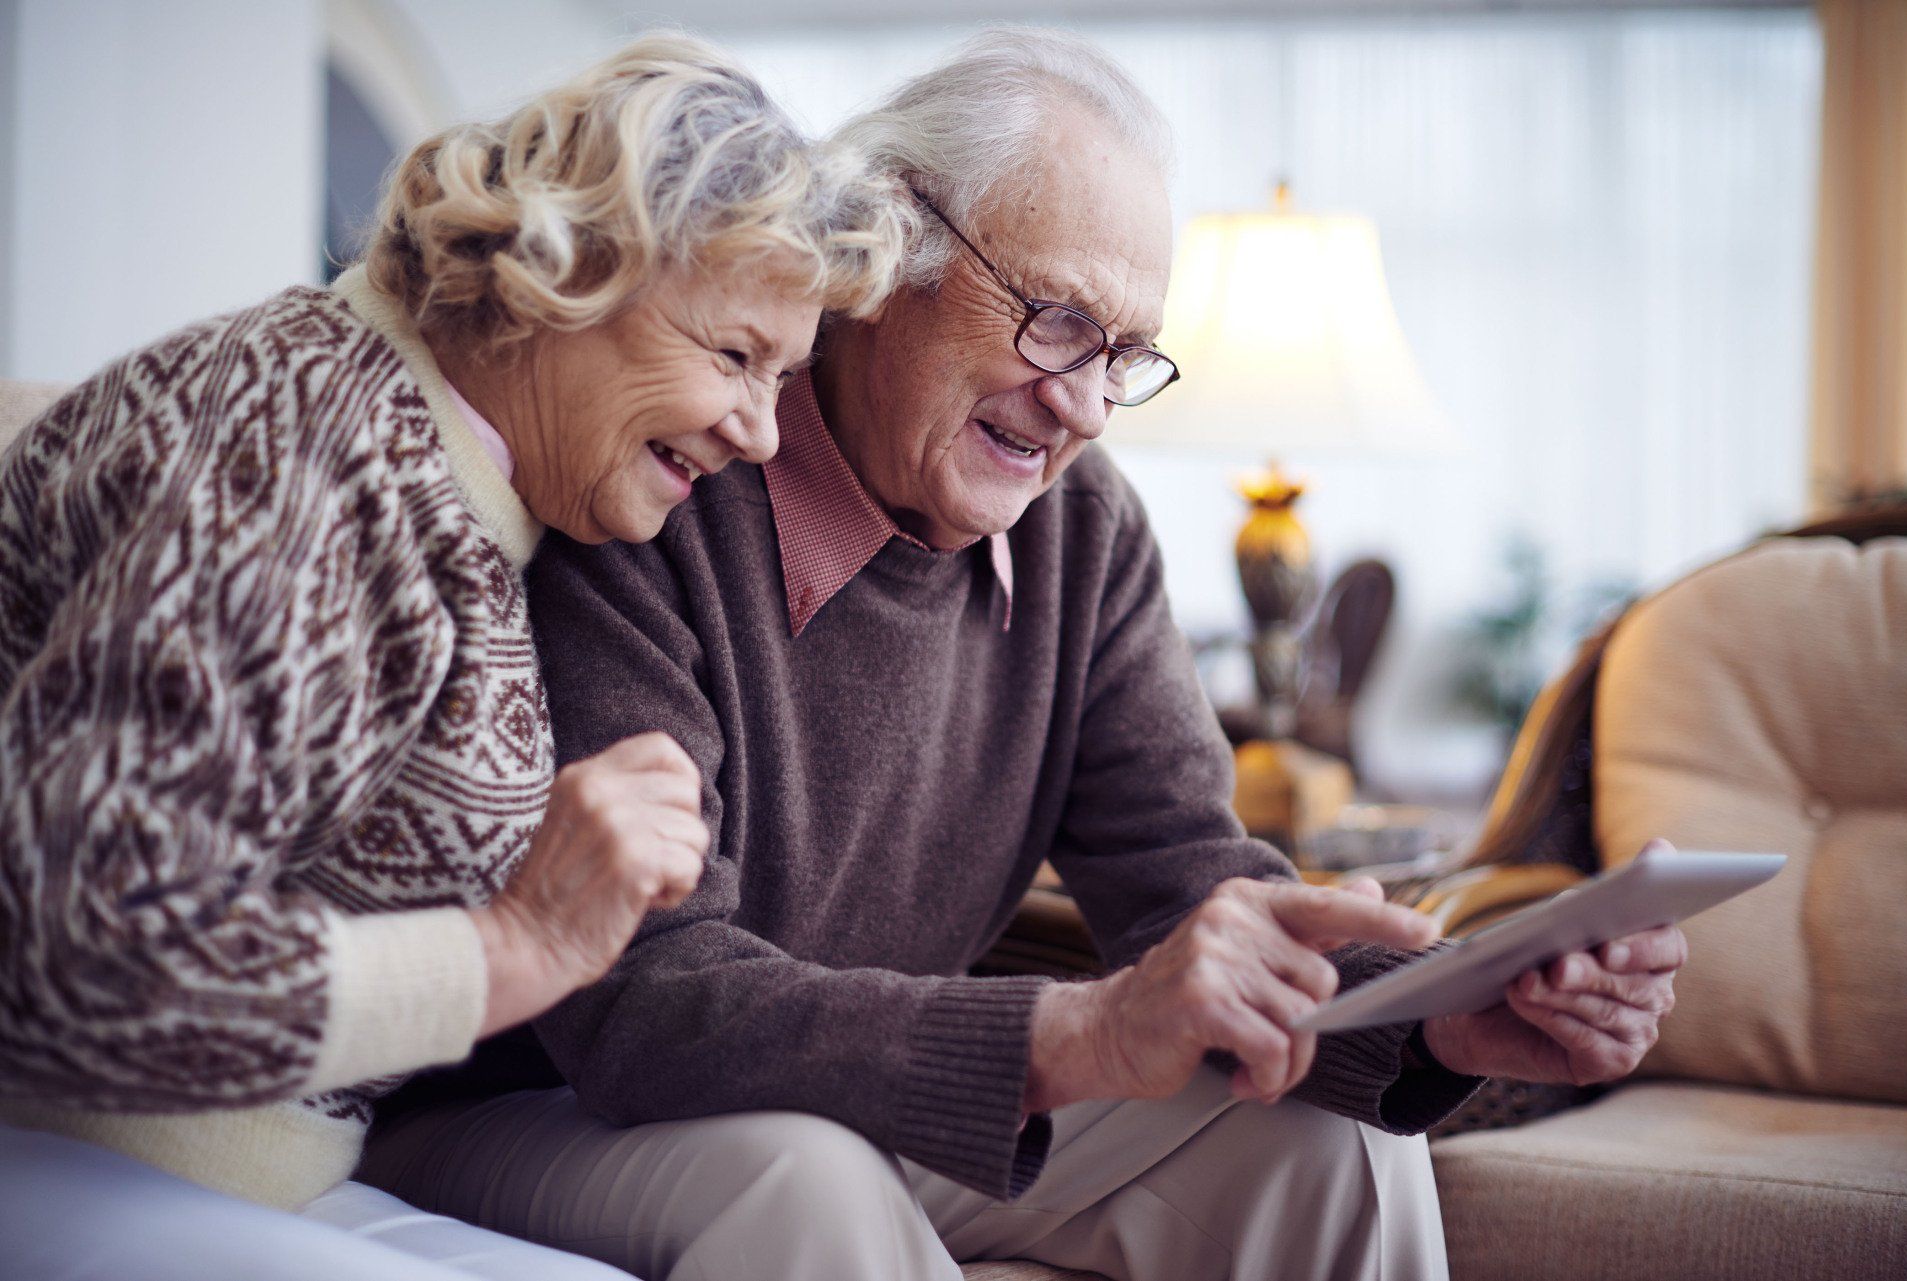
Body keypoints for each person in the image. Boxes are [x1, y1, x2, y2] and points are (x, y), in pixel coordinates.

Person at [361, 28, 1686, 1281]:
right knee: (806, 1180)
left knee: (1333, 1151)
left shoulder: (1083, 529)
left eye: (1124, 356)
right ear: (890, 245)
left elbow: (1187, 878)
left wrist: (1442, 1014)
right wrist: (1077, 1033)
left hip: (857, 1092)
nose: (1082, 408)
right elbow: (638, 1004)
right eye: (1055, 321)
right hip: (542, 1099)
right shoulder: (663, 470)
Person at [0, 33, 905, 1281]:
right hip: (70, 1150)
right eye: (736, 357)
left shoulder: (460, 469)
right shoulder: (304, 457)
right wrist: (515, 944)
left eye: (785, 377)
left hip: (251, 1164)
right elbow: (90, 947)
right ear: (569, 272)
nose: (760, 434)